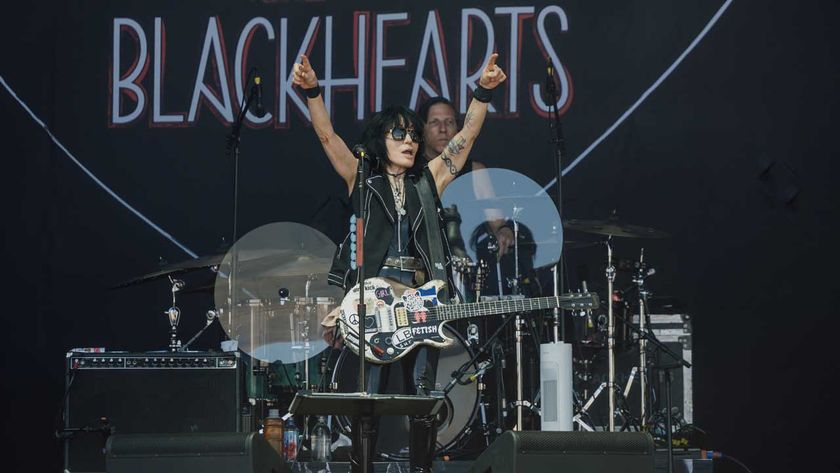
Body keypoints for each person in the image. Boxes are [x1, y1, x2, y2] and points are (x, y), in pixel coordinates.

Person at [293, 54, 506, 473]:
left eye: (412, 134)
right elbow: (325, 135)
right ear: (380, 139)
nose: (409, 141)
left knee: (423, 398)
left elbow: (466, 137)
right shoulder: (362, 177)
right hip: (374, 303)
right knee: (368, 400)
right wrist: (313, 91)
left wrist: (482, 92)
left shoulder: (428, 179)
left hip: (422, 300)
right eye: (399, 134)